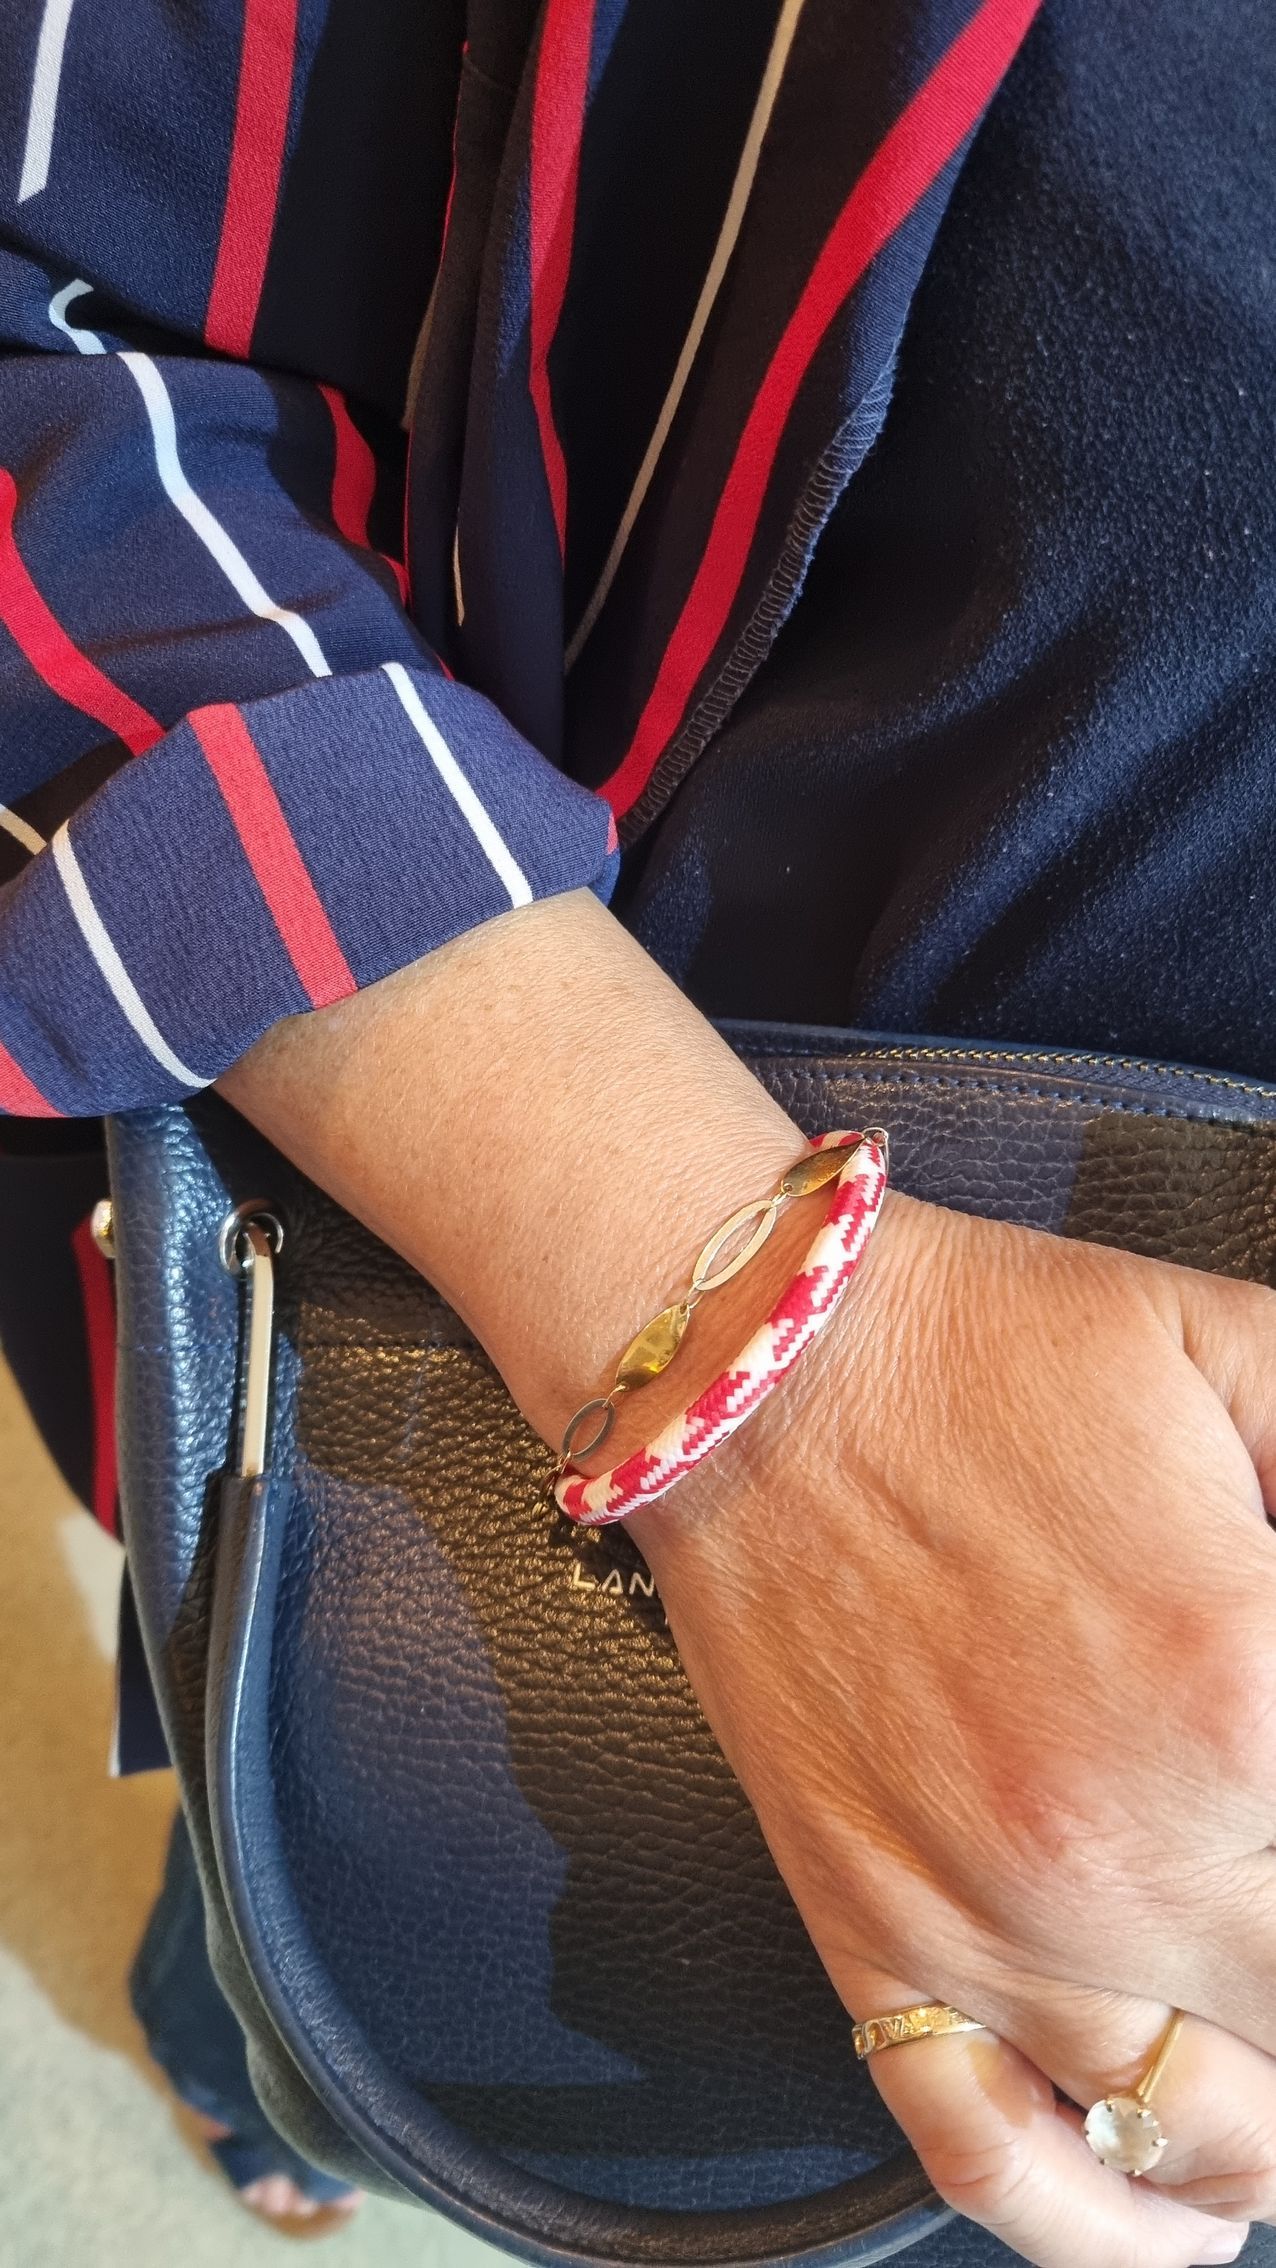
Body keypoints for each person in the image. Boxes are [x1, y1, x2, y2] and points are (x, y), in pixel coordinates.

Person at [1, 0, 1273, 2259]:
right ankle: (254, 2057)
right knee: (324, 1833)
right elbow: (54, 313)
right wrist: (745, 1345)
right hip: (478, 1334)